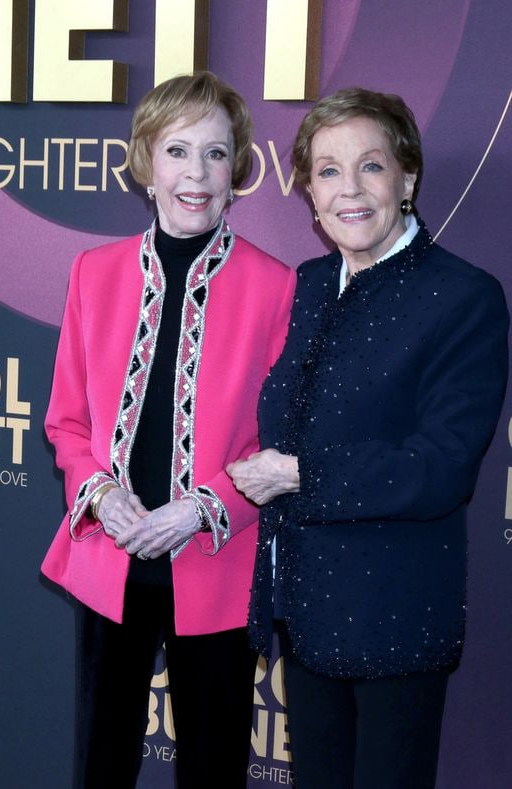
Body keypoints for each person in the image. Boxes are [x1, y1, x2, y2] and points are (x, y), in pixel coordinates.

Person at [227, 87, 509, 789]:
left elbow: (441, 466)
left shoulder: (463, 296)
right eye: (328, 171)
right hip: (306, 615)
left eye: (371, 166)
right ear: (309, 193)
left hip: (395, 621)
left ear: (407, 178)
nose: (349, 189)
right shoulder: (311, 283)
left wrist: (301, 474)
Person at [41, 71, 295, 789]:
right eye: (178, 151)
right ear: (146, 163)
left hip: (217, 563)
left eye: (216, 154)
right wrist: (99, 492)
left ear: (236, 170)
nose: (197, 173)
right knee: (101, 764)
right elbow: (66, 421)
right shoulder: (92, 271)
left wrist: (200, 509)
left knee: (214, 769)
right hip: (110, 557)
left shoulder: (277, 286)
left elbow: (278, 446)